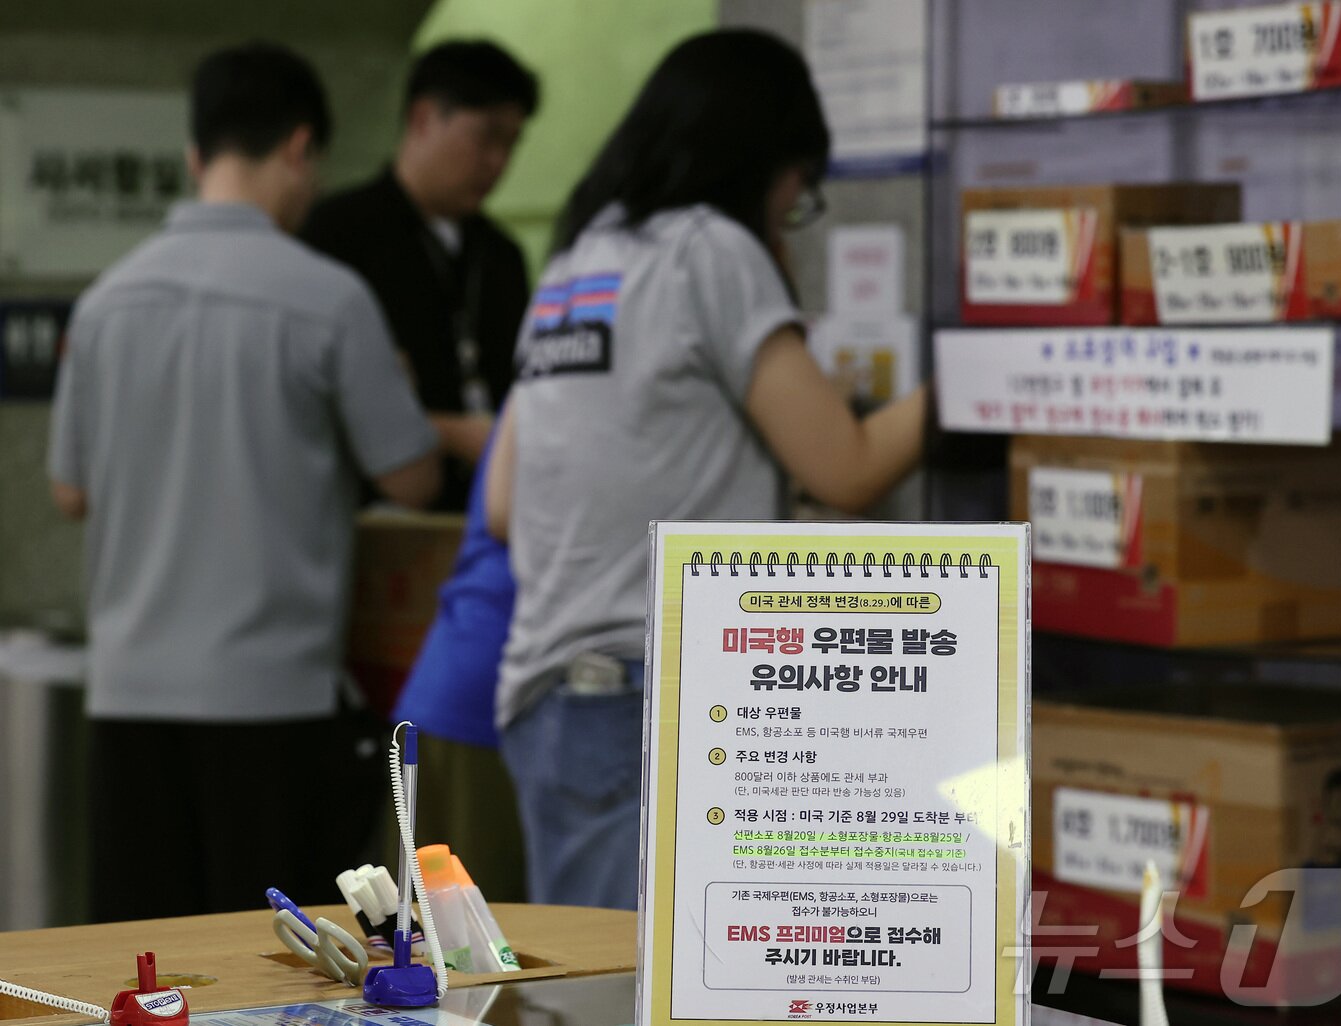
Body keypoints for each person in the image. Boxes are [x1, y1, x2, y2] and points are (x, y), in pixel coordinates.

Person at [485, 29, 928, 910]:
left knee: (594, 977)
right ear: (765, 162)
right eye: (799, 190)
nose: (791, 214)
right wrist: (982, 377)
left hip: (548, 697)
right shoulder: (710, 250)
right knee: (652, 979)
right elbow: (847, 468)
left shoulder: (575, 264)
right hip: (641, 696)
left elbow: (503, 502)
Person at [47, 42, 441, 921]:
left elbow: (71, 492)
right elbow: (413, 479)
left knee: (147, 959)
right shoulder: (329, 298)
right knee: (277, 962)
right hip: (274, 700)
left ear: (196, 155)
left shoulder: (106, 302)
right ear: (300, 147)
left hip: (129, 694)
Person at [302, 40, 538, 511]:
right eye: (487, 138)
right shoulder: (337, 231)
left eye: (512, 144)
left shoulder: (501, 254)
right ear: (424, 118)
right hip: (374, 508)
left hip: (491, 505)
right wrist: (445, 432)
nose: (498, 162)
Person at [388, 428, 526, 902]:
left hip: (465, 680)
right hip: (487, 689)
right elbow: (504, 513)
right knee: (457, 928)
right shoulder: (559, 395)